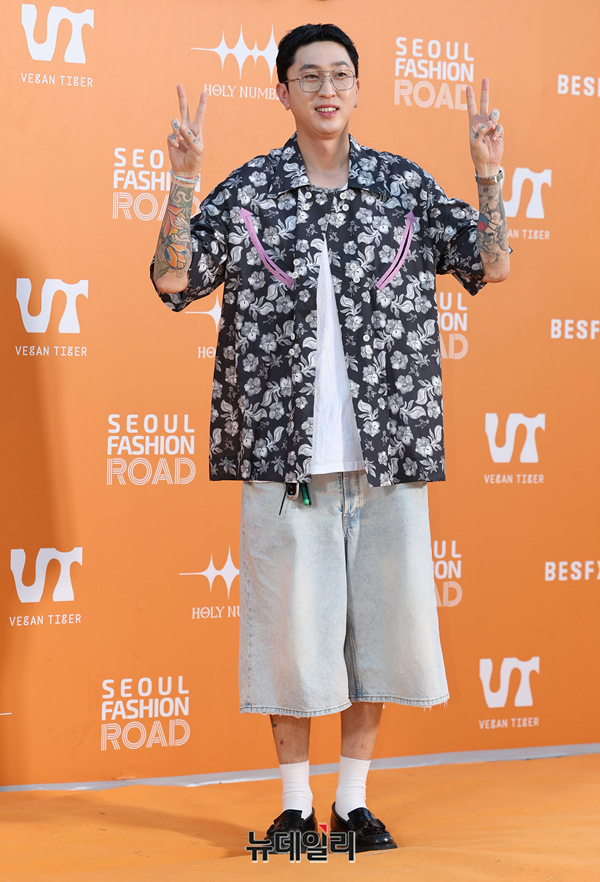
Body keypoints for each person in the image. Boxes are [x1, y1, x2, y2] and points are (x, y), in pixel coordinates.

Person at [151, 22, 509, 853]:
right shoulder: (251, 189)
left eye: (340, 74)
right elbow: (173, 277)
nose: (326, 88)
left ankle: (352, 802)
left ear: (357, 88)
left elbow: (490, 263)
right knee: (292, 639)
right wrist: (183, 181)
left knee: (376, 633)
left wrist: (489, 173)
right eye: (308, 75)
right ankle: (292, 805)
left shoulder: (400, 185)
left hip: (387, 453)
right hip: (285, 459)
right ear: (282, 91)